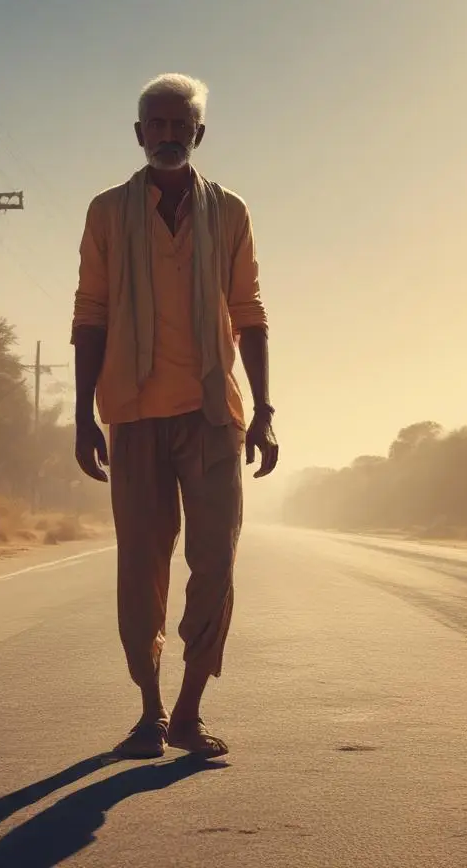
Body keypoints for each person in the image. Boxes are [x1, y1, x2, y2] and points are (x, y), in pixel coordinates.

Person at [71, 73, 278, 759]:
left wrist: (266, 409)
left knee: (214, 561)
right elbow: (91, 314)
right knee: (141, 567)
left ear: (198, 134)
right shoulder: (106, 212)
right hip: (132, 414)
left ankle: (188, 712)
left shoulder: (232, 212)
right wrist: (81, 414)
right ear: (138, 134)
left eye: (178, 124)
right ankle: (149, 714)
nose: (166, 134)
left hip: (214, 413)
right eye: (154, 124)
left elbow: (248, 312)